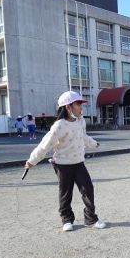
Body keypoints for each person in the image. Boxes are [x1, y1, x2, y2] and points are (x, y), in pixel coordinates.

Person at [24, 91, 106, 232]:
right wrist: (32, 160)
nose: (81, 107)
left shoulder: (81, 121)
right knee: (65, 193)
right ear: (68, 107)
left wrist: (94, 143)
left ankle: (91, 219)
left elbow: (83, 137)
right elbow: (46, 144)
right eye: (78, 104)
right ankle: (67, 220)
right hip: (62, 165)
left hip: (78, 162)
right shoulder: (59, 125)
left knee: (88, 189)